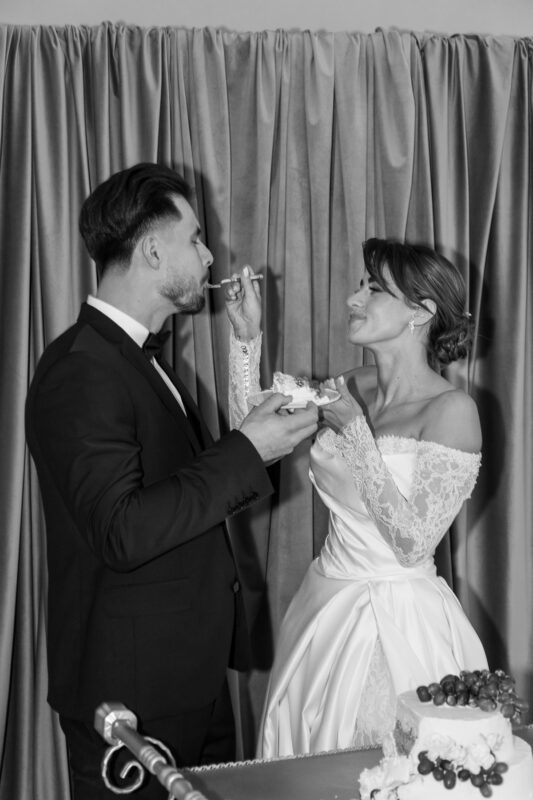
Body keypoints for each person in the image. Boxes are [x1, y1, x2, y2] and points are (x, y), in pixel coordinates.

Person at [25, 162, 318, 799]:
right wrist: (247, 448)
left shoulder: (129, 358)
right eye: (195, 238)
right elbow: (122, 530)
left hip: (185, 677)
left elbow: (190, 490)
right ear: (153, 252)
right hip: (132, 704)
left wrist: (247, 348)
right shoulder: (82, 369)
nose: (210, 256)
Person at [225, 239, 488, 759]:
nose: (352, 299)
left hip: (398, 623)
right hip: (322, 609)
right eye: (359, 286)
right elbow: (252, 437)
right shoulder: (350, 384)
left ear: (421, 312)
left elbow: (412, 544)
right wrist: (246, 338)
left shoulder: (453, 411)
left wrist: (356, 434)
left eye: (374, 289)